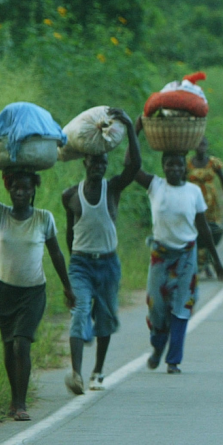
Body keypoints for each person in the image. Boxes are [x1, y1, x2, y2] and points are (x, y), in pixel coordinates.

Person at [0, 146, 75, 421]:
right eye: (16, 187)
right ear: (9, 188)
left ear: (33, 190)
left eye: (26, 188)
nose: (21, 192)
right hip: (6, 290)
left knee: (21, 344)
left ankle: (21, 402)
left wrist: (67, 286)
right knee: (7, 345)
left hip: (34, 292)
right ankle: (13, 400)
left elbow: (56, 253)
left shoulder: (43, 218)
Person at [60, 108, 140, 395]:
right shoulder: (70, 196)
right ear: (85, 161)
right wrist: (71, 268)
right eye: (94, 161)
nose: (99, 166)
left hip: (107, 263)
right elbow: (70, 233)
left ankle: (98, 370)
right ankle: (77, 374)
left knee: (105, 317)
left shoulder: (113, 189)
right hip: (81, 263)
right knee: (80, 312)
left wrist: (131, 127)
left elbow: (133, 167)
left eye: (103, 162)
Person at [134, 152, 223, 374]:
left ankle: (173, 360)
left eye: (178, 165)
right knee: (156, 307)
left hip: (186, 257)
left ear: (184, 168)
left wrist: (216, 259)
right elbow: (132, 167)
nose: (174, 169)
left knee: (181, 307)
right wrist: (132, 129)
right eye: (169, 164)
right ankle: (158, 347)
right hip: (160, 257)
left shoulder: (193, 192)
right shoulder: (155, 186)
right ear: (163, 167)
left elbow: (203, 227)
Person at [188, 137, 223, 277]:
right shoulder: (188, 164)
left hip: (210, 203)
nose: (201, 148)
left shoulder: (213, 163)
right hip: (193, 203)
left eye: (204, 145)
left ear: (207, 146)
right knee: (196, 231)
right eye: (199, 145)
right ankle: (201, 263)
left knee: (209, 231)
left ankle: (208, 262)